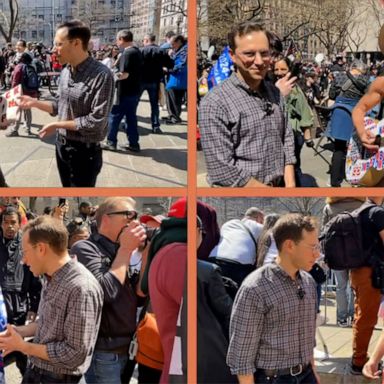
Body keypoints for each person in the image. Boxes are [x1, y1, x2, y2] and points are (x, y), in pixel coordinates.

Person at [0, 215, 103, 383]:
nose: (23, 261)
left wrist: (23, 346)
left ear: (41, 248)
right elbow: (49, 323)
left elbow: (74, 354)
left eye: (25, 252)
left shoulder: (81, 288)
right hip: (37, 373)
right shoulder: (51, 277)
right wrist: (19, 332)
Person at [17, 20, 114, 187]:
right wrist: (34, 103)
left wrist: (57, 124)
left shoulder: (102, 75)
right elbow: (59, 105)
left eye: (58, 44)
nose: (54, 50)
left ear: (76, 43)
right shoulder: (66, 71)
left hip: (85, 152)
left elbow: (96, 122)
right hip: (62, 146)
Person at [198, 22, 296, 187]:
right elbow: (222, 171)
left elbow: (286, 139)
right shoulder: (215, 103)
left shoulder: (275, 92)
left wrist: (290, 184)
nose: (259, 61)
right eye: (249, 54)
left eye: (264, 53)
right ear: (232, 55)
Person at [227, 213, 320, 384]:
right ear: (289, 245)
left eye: (318, 247)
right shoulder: (255, 288)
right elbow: (241, 356)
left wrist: (313, 372)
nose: (317, 254)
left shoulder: (308, 282)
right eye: (312, 247)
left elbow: (308, 337)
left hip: (307, 375)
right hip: (274, 378)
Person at [70, 197, 147, 384]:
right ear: (106, 219)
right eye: (128, 216)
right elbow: (104, 293)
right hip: (104, 352)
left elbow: (140, 296)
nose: (133, 223)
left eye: (135, 217)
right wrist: (126, 250)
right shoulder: (85, 248)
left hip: (127, 349)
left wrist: (146, 252)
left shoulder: (120, 250)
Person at [0, 206, 41, 375]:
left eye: (13, 223)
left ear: (19, 224)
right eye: (6, 223)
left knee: (22, 355)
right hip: (1, 307)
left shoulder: (27, 246)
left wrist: (33, 308)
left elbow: (35, 281)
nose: (10, 226)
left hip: (20, 310)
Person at [348, 197, 384, 375]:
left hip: (357, 272)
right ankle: (359, 361)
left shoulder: (358, 212)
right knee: (367, 318)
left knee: (360, 316)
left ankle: (358, 357)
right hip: (371, 273)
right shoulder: (376, 213)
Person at [321, 197, 364, 327]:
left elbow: (324, 232)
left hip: (336, 253)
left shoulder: (329, 208)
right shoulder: (362, 205)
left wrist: (325, 255)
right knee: (354, 286)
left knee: (340, 286)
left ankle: (342, 318)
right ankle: (353, 315)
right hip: (356, 253)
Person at [274, 57, 314, 185]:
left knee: (293, 169)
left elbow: (305, 114)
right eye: (276, 69)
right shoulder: (268, 88)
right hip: (274, 137)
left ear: (289, 70)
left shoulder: (296, 90)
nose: (279, 73)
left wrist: (308, 138)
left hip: (293, 135)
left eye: (283, 69)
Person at [102, 30, 143, 153]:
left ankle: (111, 141)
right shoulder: (137, 51)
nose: (116, 43)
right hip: (135, 90)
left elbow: (124, 74)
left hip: (124, 91)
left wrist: (112, 75)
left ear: (121, 39)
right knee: (131, 118)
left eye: (117, 40)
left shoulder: (127, 53)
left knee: (114, 116)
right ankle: (134, 143)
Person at [209, 207, 264, 286]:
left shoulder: (229, 223)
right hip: (239, 265)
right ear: (259, 217)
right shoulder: (259, 227)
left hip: (214, 260)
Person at [6, 52, 38, 137]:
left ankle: (15, 130)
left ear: (22, 59)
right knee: (28, 110)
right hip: (30, 92)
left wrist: (12, 92)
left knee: (17, 110)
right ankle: (28, 129)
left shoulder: (19, 66)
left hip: (20, 92)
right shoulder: (31, 66)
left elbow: (15, 81)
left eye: (19, 56)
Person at [163, 35, 187, 125]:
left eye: (173, 44)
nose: (172, 46)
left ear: (179, 41)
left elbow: (181, 64)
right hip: (177, 76)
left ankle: (175, 117)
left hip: (179, 76)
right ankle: (173, 115)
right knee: (175, 96)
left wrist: (168, 70)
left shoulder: (185, 50)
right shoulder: (180, 49)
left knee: (173, 94)